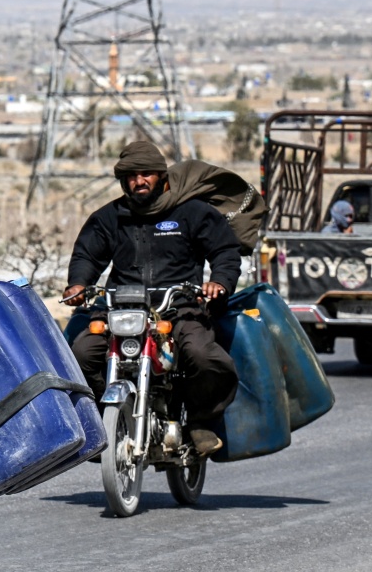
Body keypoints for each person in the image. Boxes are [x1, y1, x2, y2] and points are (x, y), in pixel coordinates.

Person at [61, 137, 242, 457]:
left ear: (163, 177)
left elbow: (224, 251)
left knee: (203, 356)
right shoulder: (110, 217)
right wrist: (78, 284)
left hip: (178, 305)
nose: (138, 180)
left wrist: (219, 282)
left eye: (146, 173)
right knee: (82, 353)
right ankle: (109, 421)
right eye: (131, 175)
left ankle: (201, 422)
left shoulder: (193, 212)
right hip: (122, 306)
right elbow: (88, 256)